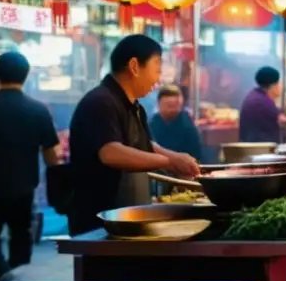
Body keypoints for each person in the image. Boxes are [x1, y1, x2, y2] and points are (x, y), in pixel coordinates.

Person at [68, 35, 200, 236]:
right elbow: (111, 153)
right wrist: (168, 162)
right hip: (101, 221)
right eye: (156, 70)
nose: (157, 80)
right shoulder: (100, 101)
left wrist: (174, 158)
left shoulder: (134, 106)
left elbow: (144, 145)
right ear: (134, 66)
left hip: (128, 218)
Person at [0, 52, 61, 281]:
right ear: (26, 76)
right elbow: (51, 155)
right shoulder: (37, 110)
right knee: (21, 237)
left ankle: (0, 277)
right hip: (25, 187)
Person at [149, 85, 203, 161]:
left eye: (175, 106)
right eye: (169, 106)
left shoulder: (188, 127)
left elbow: (196, 156)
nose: (172, 110)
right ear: (158, 104)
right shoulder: (152, 124)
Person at [239, 67, 286, 144]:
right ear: (274, 85)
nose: (281, 87)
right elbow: (282, 119)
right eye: (279, 83)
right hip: (262, 151)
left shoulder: (255, 96)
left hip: (254, 148)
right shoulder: (262, 101)